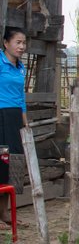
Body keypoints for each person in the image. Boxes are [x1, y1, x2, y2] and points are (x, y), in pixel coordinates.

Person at [0, 28, 27, 193]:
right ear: (6, 43)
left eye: (24, 43)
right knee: (1, 159)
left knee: (13, 160)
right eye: (18, 42)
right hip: (1, 116)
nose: (22, 46)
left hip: (15, 117)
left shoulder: (20, 68)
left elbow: (21, 97)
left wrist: (25, 122)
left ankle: (4, 210)